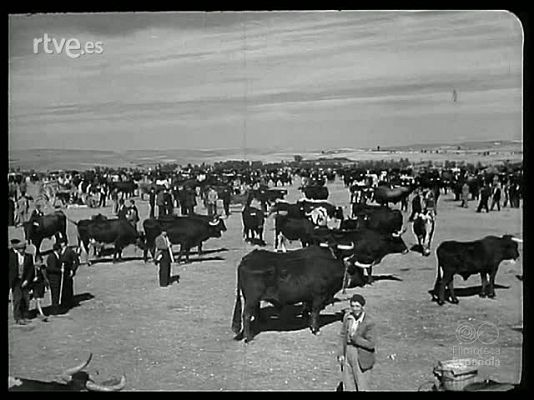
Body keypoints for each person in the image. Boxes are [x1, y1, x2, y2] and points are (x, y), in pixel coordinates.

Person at [337, 294, 376, 391]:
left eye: (357, 306)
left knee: (362, 385)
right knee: (348, 383)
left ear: (362, 307)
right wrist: (341, 353)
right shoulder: (347, 317)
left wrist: (356, 339)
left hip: (361, 355)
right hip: (348, 353)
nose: (355, 309)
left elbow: (371, 344)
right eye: (353, 306)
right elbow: (342, 335)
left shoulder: (369, 322)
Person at [8, 239, 34, 325]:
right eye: (20, 249)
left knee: (26, 299)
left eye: (23, 249)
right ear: (18, 250)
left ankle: (25, 315)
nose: (21, 251)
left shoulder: (29, 257)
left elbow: (31, 270)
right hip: (16, 281)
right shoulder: (12, 257)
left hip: (25, 281)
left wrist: (27, 280)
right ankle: (18, 317)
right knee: (17, 299)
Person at [29, 254, 50, 322]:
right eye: (39, 262)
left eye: (41, 261)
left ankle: (37, 311)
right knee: (38, 300)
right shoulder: (32, 269)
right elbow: (29, 278)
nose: (40, 263)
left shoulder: (43, 268)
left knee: (39, 300)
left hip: (40, 286)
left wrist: (46, 286)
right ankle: (41, 313)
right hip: (34, 286)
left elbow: (45, 278)